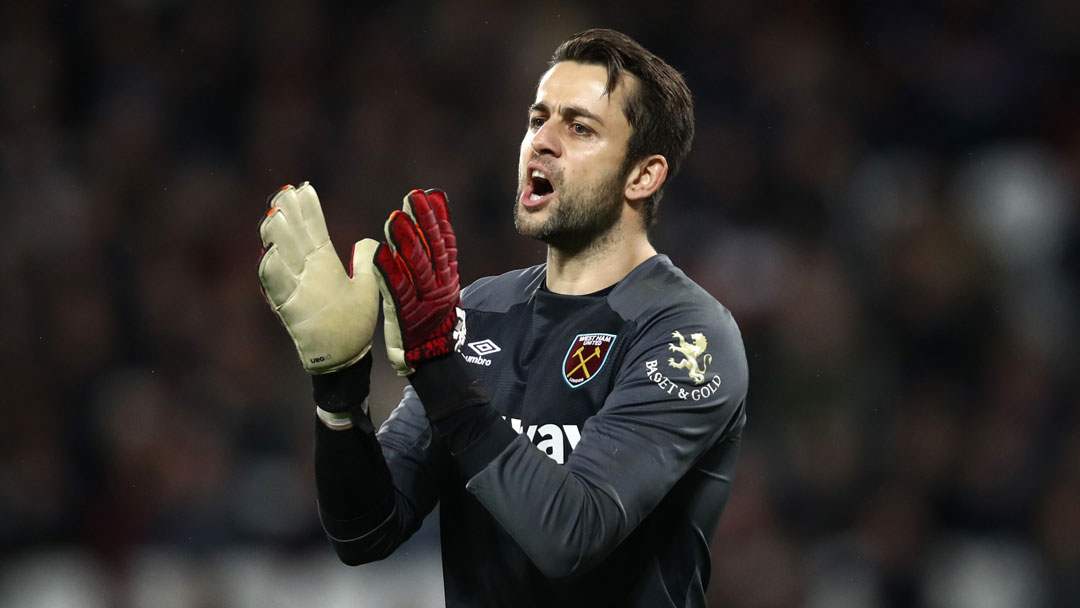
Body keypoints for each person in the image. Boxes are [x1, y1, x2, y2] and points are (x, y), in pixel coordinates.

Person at [257, 28, 748, 607]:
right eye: (538, 119)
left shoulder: (686, 334)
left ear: (643, 176)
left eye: (579, 127)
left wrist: (440, 372)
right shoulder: (481, 312)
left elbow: (572, 535)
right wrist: (338, 387)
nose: (542, 141)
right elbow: (365, 531)